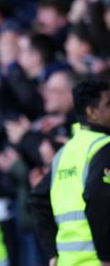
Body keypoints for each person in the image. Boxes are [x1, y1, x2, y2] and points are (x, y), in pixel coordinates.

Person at [29, 80, 110, 266]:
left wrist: (51, 253)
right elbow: (99, 200)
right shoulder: (104, 147)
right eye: (108, 104)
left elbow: (37, 199)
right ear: (92, 112)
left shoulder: (65, 152)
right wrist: (106, 256)